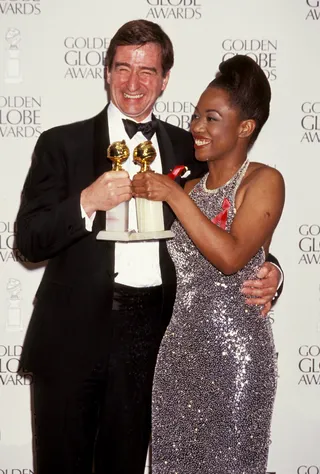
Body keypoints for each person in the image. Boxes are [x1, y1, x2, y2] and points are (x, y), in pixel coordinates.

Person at [16, 20, 282, 474]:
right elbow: (29, 242)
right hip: (71, 336)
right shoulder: (61, 144)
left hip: (157, 343)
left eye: (146, 71)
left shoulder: (191, 147)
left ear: (164, 79)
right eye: (122, 68)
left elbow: (226, 226)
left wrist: (272, 269)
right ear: (106, 73)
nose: (133, 83)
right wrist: (86, 202)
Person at [132, 55, 285, 473]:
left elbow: (234, 257)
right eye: (196, 115)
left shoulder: (263, 181)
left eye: (212, 118)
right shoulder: (188, 184)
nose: (197, 127)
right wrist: (177, 192)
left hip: (236, 361)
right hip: (177, 360)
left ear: (245, 127)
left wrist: (174, 196)